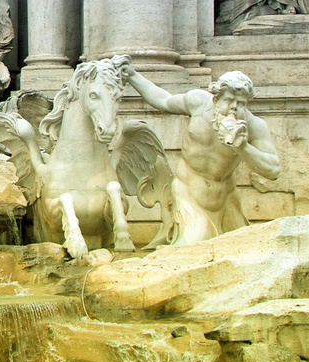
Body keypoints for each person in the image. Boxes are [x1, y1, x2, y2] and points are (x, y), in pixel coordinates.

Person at [120, 66, 281, 246]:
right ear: (216, 98)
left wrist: (243, 148)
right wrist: (133, 76)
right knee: (193, 249)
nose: (234, 108)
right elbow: (163, 100)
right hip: (188, 194)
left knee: (239, 251)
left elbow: (273, 169)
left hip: (226, 200)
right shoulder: (198, 102)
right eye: (229, 101)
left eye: (241, 103)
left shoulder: (254, 126)